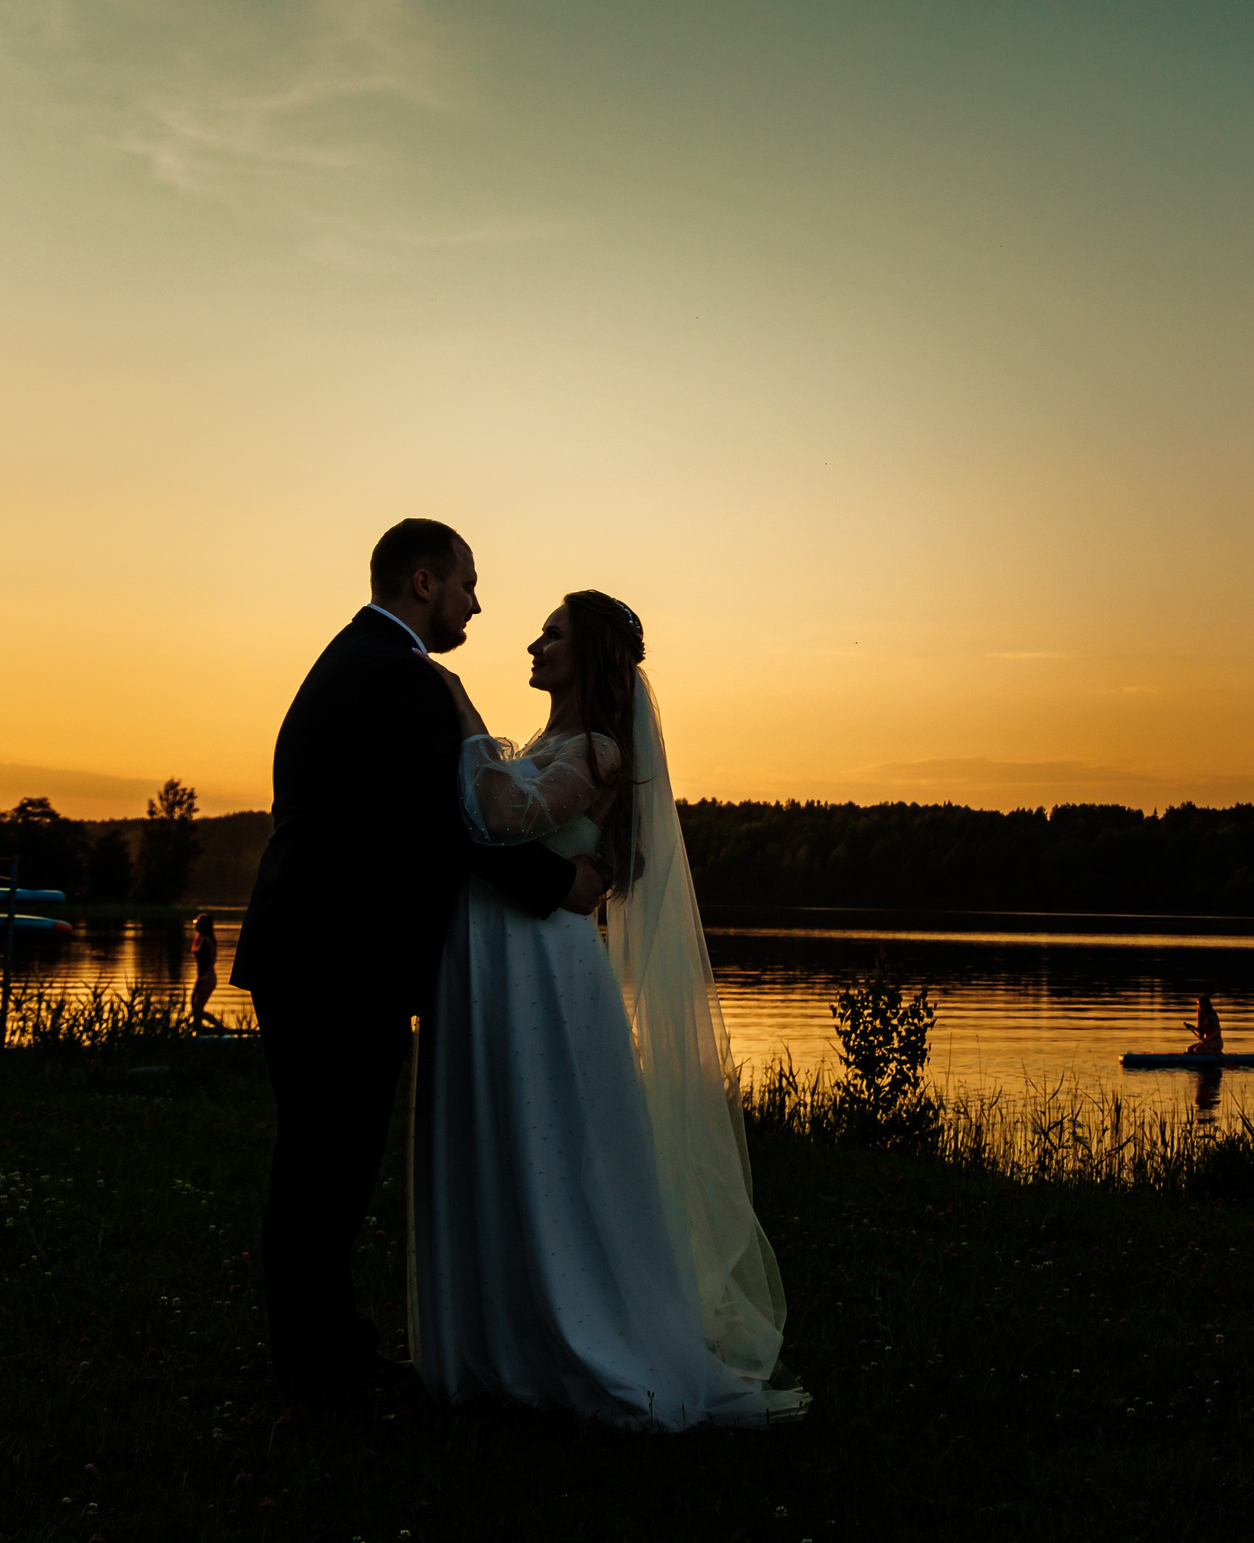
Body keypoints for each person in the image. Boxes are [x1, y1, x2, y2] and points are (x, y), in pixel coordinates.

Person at [231, 520, 608, 1407]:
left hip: (318, 951)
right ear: (426, 580)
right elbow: (451, 822)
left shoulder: (362, 660)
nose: (479, 603)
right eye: (470, 584)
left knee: (322, 1163)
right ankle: (320, 1370)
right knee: (327, 1167)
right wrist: (558, 882)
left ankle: (324, 1353)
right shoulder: (395, 677)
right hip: (336, 958)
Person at [416, 590, 804, 1430]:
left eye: (550, 633)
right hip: (504, 964)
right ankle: (507, 1330)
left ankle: (581, 1329)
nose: (532, 642)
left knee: (556, 1148)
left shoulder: (595, 750)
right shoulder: (549, 742)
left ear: (587, 655)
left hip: (549, 973)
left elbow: (507, 814)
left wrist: (460, 711)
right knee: (508, 1138)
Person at [188, 912, 224, 1031]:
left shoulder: (208, 940)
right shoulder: (199, 939)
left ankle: (221, 1028)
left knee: (198, 1008)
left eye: (198, 923)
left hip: (208, 977)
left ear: (204, 925)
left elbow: (212, 960)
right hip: (201, 977)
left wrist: (206, 976)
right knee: (193, 1004)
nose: (196, 925)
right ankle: (197, 1029)